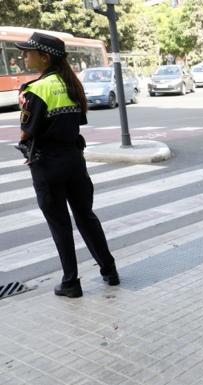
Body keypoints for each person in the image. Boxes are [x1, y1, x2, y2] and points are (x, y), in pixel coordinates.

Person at [15, 32, 119, 298]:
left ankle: (71, 283)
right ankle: (109, 271)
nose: (24, 56)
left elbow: (28, 130)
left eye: (28, 52)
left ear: (44, 57)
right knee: (86, 216)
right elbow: (77, 123)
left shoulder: (37, 89)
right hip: (74, 161)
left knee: (60, 224)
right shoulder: (72, 85)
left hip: (47, 164)